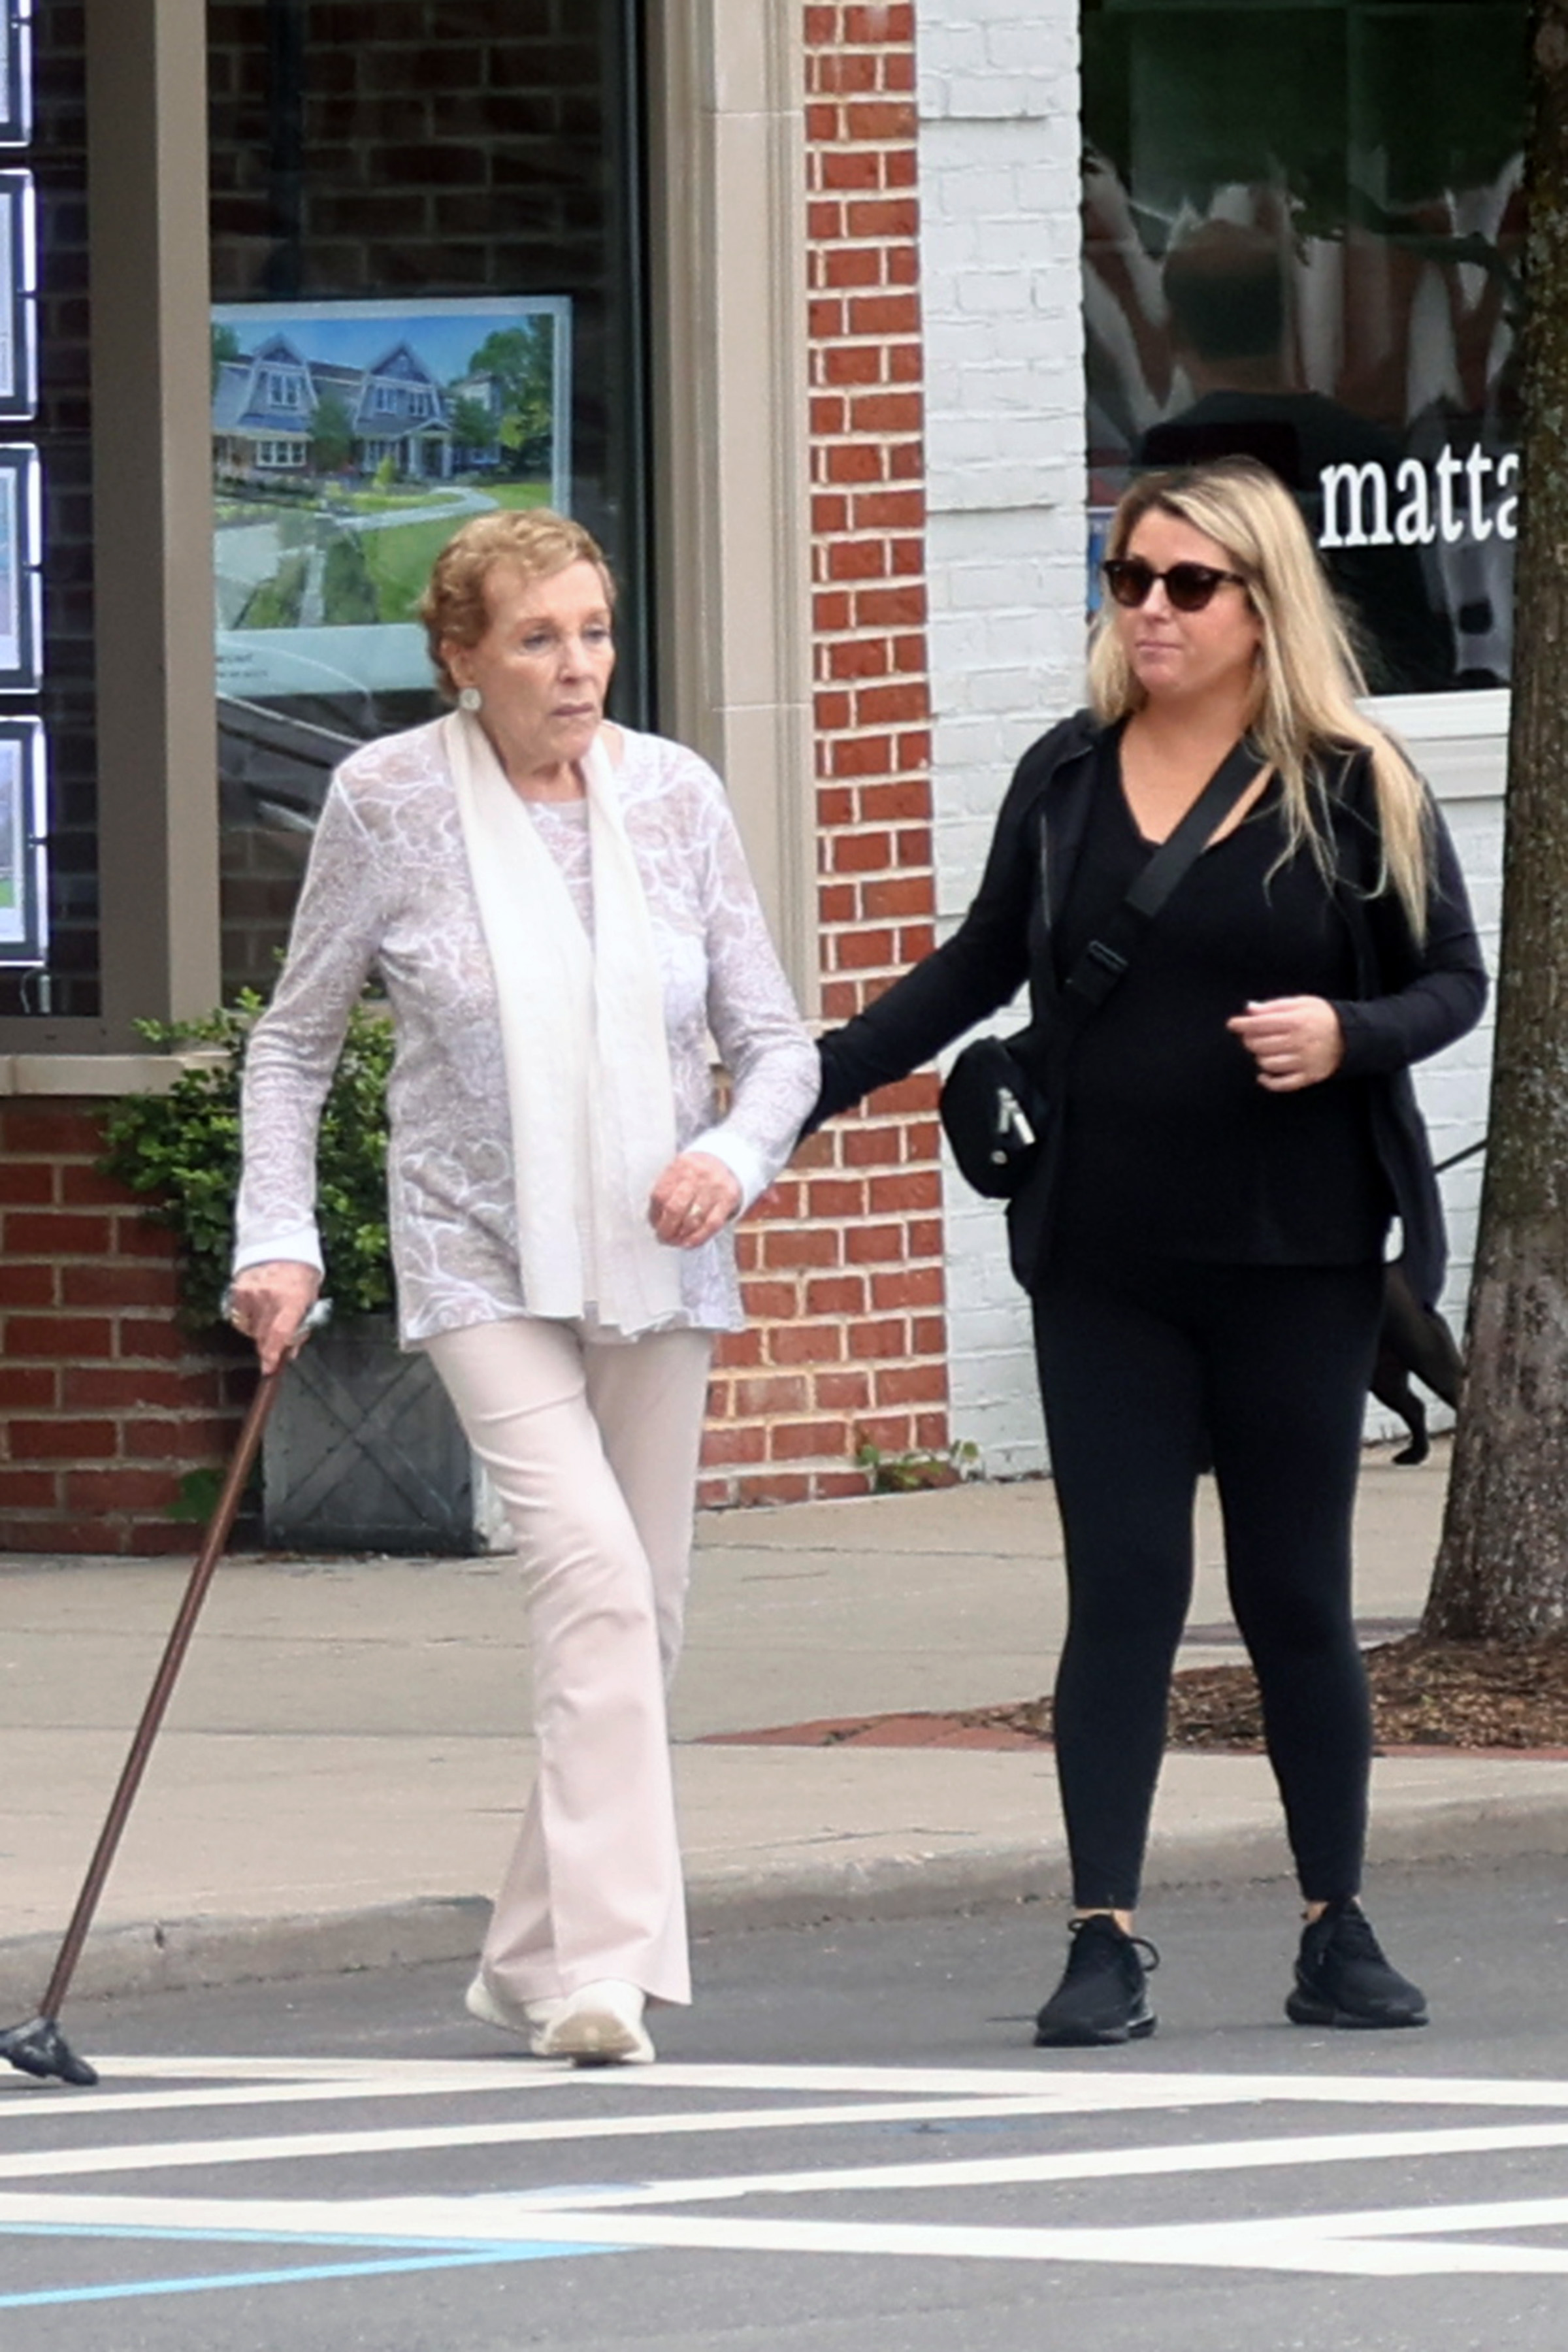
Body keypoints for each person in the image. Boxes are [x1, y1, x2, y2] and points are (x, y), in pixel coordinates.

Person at [812, 456, 1487, 2046]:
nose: (1153, 611)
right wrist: (809, 1085)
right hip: (1104, 1253)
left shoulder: (1348, 777)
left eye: (1189, 584)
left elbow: (1455, 978)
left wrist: (1349, 1030)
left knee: (1295, 1602)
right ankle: (1102, 1937)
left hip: (1299, 1252)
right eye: (1130, 579)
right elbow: (980, 961)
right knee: (1120, 1592)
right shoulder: (1067, 779)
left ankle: (1338, 1925)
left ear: (1262, 605)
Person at [228, 508, 817, 2066]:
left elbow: (777, 1044)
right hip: (476, 1250)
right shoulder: (387, 802)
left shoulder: (677, 798)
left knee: (644, 1616)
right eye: (541, 639)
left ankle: (524, 1949)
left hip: (662, 1251)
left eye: (596, 631)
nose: (579, 669)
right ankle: (604, 1977)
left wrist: (734, 1160)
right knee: (596, 1587)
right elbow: (292, 1044)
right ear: (460, 657)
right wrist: (276, 1235)